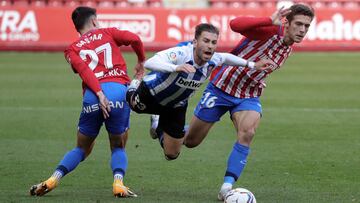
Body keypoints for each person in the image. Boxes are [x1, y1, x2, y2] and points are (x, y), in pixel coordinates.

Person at [180, 4, 315, 201]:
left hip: (247, 95)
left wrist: (258, 79)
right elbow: (235, 24)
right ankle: (163, 126)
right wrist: (269, 20)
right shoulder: (269, 31)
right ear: (287, 22)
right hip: (221, 88)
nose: (303, 30)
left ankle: (226, 188)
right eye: (299, 24)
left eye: (307, 26)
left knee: (248, 132)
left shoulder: (288, 49)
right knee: (191, 141)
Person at [29, 6, 146, 198]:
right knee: (117, 146)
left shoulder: (72, 49)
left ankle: (53, 179)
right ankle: (118, 183)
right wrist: (141, 61)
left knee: (81, 148)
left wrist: (99, 94)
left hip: (92, 96)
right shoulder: (108, 32)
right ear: (94, 21)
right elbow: (135, 38)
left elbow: (84, 70)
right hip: (117, 92)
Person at [126, 23, 273, 161]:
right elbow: (150, 63)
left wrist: (253, 65)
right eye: (206, 41)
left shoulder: (213, 59)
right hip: (152, 94)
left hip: (176, 105)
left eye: (213, 43)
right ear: (195, 42)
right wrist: (176, 68)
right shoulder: (182, 53)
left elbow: (226, 57)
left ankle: (157, 124)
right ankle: (134, 83)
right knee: (132, 103)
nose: (210, 46)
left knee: (171, 154)